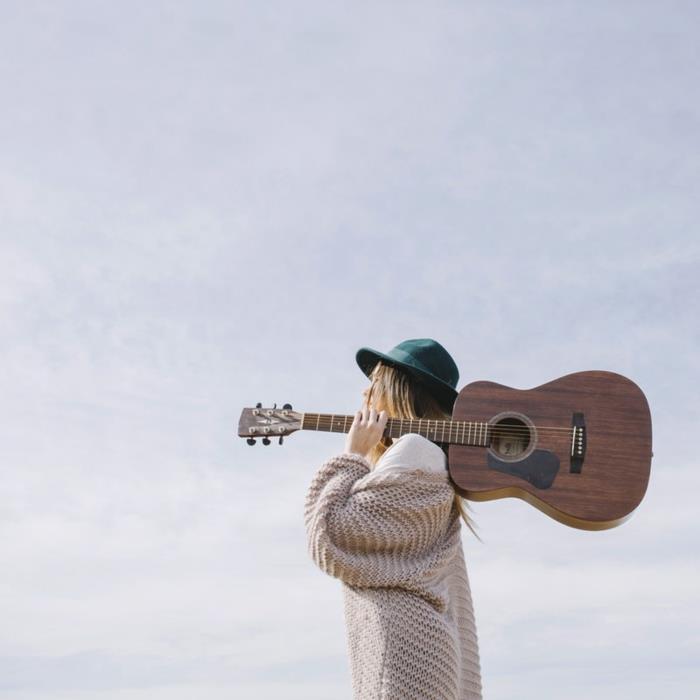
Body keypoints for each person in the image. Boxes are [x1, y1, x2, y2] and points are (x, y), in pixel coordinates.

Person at [304, 338, 483, 700]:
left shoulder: (415, 451)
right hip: (424, 652)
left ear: (397, 390)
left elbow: (332, 533)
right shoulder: (434, 464)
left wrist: (352, 454)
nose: (364, 392)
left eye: (374, 382)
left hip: (404, 657)